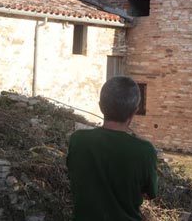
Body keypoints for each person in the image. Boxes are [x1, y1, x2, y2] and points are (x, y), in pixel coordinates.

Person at [67, 76, 158, 221]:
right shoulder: (145, 151)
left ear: (101, 106)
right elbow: (150, 193)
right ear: (135, 111)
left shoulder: (78, 140)